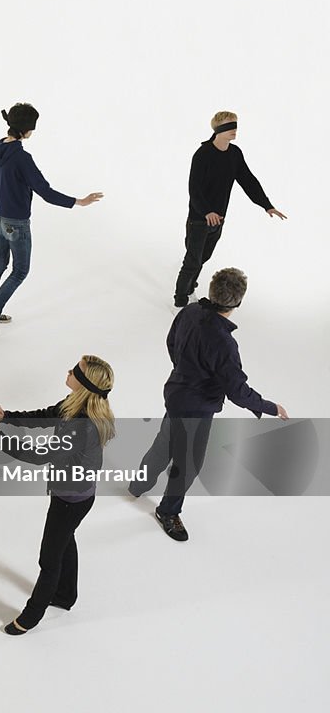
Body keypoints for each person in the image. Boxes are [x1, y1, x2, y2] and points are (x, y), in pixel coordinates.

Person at [131, 268, 289, 541]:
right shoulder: (224, 343)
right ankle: (168, 511)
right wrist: (269, 407)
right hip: (196, 408)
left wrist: (185, 371)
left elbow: (172, 343)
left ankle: (138, 484)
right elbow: (238, 391)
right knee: (189, 463)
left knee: (165, 441)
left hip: (175, 394)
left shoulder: (189, 312)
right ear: (237, 302)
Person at [0, 355, 115, 636]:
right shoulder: (74, 402)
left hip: (72, 500)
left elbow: (40, 455)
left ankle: (30, 617)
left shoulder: (83, 425)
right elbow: (44, 414)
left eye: (75, 370)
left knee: (49, 559)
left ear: (85, 382)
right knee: (66, 540)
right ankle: (65, 595)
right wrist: (8, 417)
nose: (69, 370)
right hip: (71, 494)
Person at [0, 104, 103, 338]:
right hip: (17, 223)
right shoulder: (22, 158)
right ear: (26, 130)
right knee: (20, 270)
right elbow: (45, 191)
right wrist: (79, 201)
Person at [172, 111, 287, 309]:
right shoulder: (203, 155)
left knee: (203, 259)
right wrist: (207, 211)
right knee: (192, 261)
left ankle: (190, 289)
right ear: (217, 129)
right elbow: (194, 188)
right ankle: (180, 302)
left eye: (235, 125)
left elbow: (248, 180)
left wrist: (266, 204)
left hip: (219, 220)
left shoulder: (235, 154)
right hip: (199, 220)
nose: (234, 130)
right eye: (228, 126)